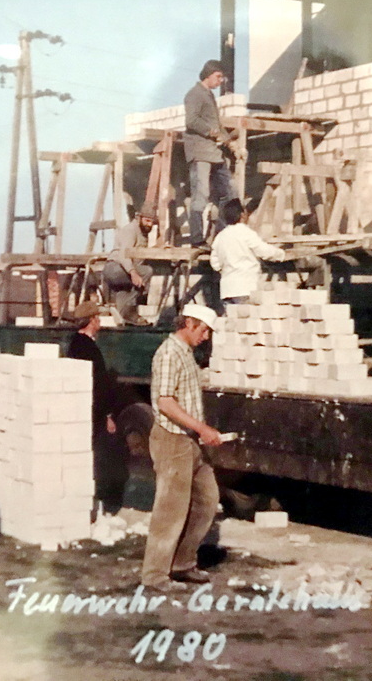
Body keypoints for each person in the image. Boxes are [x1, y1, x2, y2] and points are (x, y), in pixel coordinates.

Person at [141, 303, 226, 590]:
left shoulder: (186, 354)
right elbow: (165, 402)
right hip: (171, 438)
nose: (206, 337)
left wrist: (198, 431)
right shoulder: (168, 354)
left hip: (189, 440)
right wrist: (202, 428)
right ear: (189, 323)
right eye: (203, 330)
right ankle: (155, 575)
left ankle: (182, 563)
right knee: (170, 509)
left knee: (207, 499)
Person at [65, 300, 129, 515]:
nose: (100, 321)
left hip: (82, 409)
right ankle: (100, 501)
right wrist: (108, 415)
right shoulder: (89, 348)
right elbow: (98, 385)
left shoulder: (75, 343)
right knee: (100, 455)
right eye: (98, 317)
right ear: (92, 320)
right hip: (93, 412)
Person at [184, 59, 239, 247]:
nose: (220, 81)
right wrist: (210, 131)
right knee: (201, 194)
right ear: (208, 74)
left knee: (229, 191)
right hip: (200, 153)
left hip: (214, 153)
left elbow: (218, 125)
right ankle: (197, 239)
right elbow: (191, 121)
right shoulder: (194, 94)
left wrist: (232, 145)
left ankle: (223, 234)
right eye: (218, 77)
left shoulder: (208, 95)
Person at [209, 198, 287, 311]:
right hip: (246, 287)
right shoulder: (246, 233)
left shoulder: (220, 236)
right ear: (242, 215)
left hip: (227, 290)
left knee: (232, 323)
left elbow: (215, 263)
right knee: (248, 324)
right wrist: (281, 254)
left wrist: (228, 269)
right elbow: (263, 251)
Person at [103, 209, 157, 325]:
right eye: (147, 221)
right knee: (147, 271)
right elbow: (123, 255)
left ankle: (124, 316)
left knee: (127, 290)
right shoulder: (130, 230)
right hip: (115, 268)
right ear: (139, 218)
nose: (149, 224)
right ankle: (129, 310)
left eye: (152, 222)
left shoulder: (142, 233)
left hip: (122, 270)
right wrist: (133, 272)